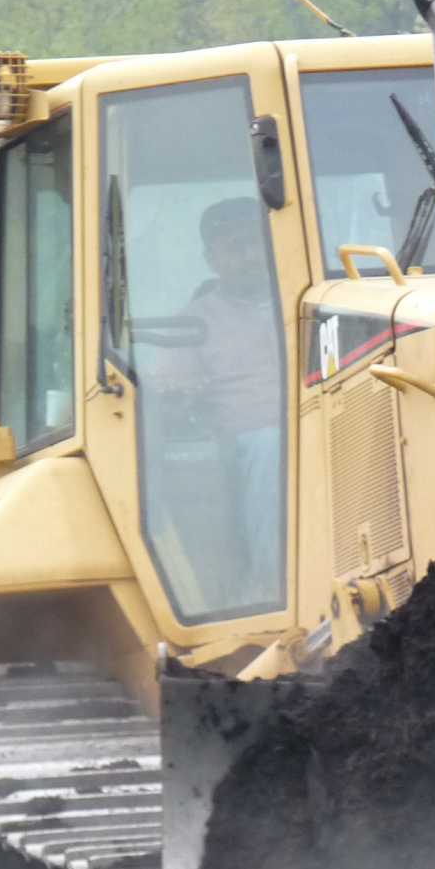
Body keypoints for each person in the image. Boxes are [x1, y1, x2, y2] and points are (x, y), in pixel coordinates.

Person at [180, 197, 283, 605]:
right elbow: (174, 390)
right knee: (273, 447)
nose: (248, 256)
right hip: (242, 442)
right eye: (234, 246)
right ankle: (272, 585)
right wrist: (185, 393)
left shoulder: (306, 301)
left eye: (255, 244)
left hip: (320, 420)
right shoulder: (194, 320)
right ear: (212, 258)